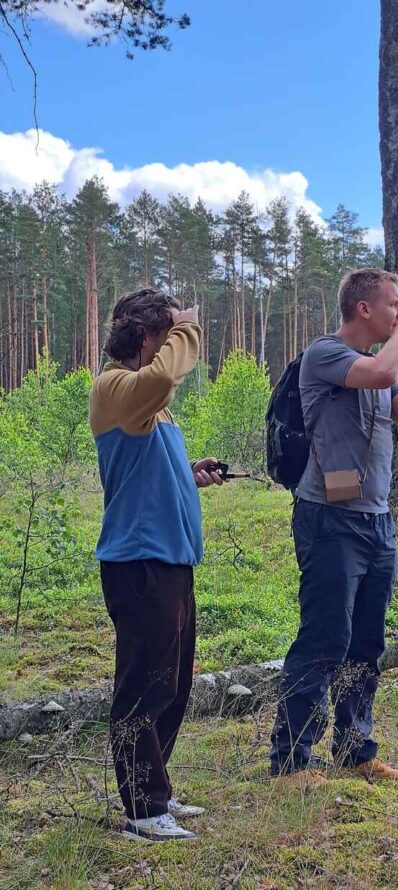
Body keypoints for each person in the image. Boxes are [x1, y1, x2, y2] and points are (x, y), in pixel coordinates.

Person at [270, 268, 398, 789]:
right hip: (328, 521)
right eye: (394, 304)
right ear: (364, 308)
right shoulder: (326, 355)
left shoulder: (382, 368)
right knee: (325, 637)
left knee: (367, 643)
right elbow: (379, 371)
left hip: (377, 522)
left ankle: (355, 752)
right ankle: (291, 762)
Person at [90, 288, 224, 841]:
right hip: (139, 560)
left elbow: (138, 469)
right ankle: (143, 810)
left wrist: (188, 473)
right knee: (143, 686)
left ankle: (155, 790)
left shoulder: (146, 402)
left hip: (169, 558)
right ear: (147, 337)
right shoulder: (114, 386)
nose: (177, 343)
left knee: (171, 683)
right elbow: (166, 376)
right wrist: (187, 324)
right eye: (168, 334)